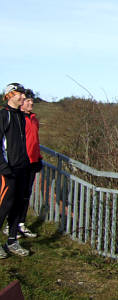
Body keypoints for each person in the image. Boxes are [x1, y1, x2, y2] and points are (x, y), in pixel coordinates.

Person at [2, 89, 42, 239]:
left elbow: (34, 142)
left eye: (31, 101)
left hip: (31, 163)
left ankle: (20, 224)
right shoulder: (14, 118)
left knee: (25, 195)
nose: (31, 103)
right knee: (10, 198)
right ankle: (9, 225)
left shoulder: (34, 119)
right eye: (27, 101)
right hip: (15, 164)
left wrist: (38, 158)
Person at [0, 83, 30, 258]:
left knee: (18, 206)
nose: (23, 97)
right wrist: (3, 167)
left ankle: (12, 240)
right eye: (20, 94)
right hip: (8, 170)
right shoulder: (4, 115)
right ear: (10, 95)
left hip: (22, 168)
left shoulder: (19, 116)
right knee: (4, 206)